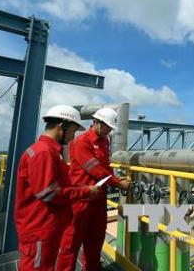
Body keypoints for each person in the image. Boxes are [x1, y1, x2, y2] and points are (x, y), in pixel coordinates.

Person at [14, 105, 101, 270]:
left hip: (44, 226)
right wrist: (86, 191)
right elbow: (49, 193)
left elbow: (51, 185)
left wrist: (76, 187)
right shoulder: (44, 153)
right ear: (63, 126)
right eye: (73, 131)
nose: (73, 136)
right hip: (40, 229)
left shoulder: (46, 151)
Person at [57, 107, 130, 271]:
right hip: (81, 198)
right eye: (108, 126)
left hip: (99, 197)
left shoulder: (105, 140)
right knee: (72, 240)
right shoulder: (82, 142)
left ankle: (93, 267)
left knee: (96, 236)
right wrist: (118, 183)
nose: (110, 130)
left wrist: (115, 178)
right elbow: (95, 168)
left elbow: (106, 166)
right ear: (97, 123)